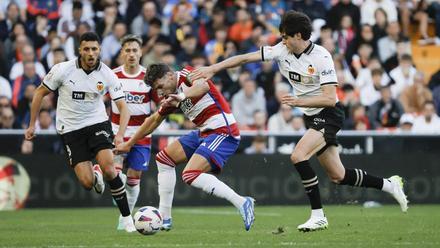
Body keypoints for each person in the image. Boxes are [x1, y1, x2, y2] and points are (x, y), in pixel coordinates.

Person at [191, 10, 408, 232]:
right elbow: (245, 58)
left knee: (298, 156)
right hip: (311, 116)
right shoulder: (281, 50)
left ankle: (318, 215)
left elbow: (330, 98)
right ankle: (389, 184)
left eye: (285, 36)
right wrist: (213, 68)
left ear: (298, 36)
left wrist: (298, 101)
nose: (282, 40)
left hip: (329, 114)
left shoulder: (321, 57)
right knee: (338, 175)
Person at [114, 63, 255, 231]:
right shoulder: (171, 97)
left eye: (160, 86)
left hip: (224, 131)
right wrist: (129, 143)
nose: (160, 92)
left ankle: (242, 202)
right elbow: (152, 121)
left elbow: (202, 86)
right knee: (163, 159)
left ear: (170, 76)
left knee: (190, 175)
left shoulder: (187, 73)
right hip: (204, 132)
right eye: (156, 90)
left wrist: (181, 96)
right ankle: (165, 217)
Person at [24, 32, 136, 232]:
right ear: (79, 50)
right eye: (87, 49)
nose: (91, 53)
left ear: (99, 50)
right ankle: (95, 174)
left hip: (97, 123)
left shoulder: (107, 74)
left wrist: (120, 134)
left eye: (94, 49)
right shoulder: (62, 70)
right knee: (86, 183)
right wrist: (32, 124)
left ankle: (127, 219)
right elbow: (40, 92)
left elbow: (123, 107)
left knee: (110, 168)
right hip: (71, 129)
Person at [110, 34, 158, 230]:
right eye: (127, 50)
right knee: (114, 172)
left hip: (141, 135)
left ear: (141, 53)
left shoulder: (148, 77)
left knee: (133, 178)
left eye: (135, 50)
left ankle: (125, 218)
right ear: (122, 52)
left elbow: (159, 103)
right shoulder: (112, 75)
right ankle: (126, 214)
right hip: (117, 132)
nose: (131, 54)